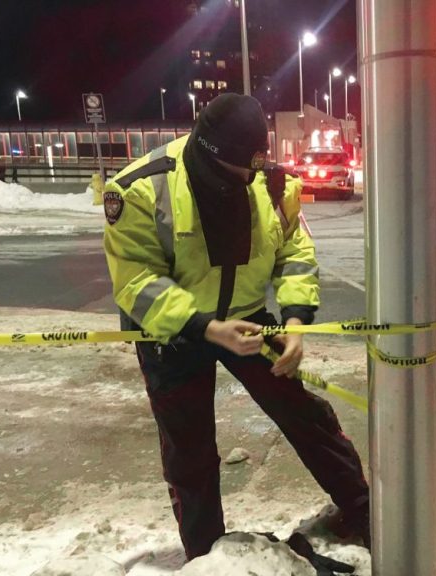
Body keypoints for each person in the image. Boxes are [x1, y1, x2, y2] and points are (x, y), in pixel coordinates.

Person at [102, 93, 369, 561]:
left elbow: (295, 253)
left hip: (248, 321)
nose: (243, 181)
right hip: (173, 334)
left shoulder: (270, 184)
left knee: (303, 413)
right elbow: (138, 280)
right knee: (190, 449)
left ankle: (365, 511)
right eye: (232, 174)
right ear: (207, 156)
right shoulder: (140, 190)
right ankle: (207, 558)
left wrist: (294, 321)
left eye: (250, 171)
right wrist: (204, 327)